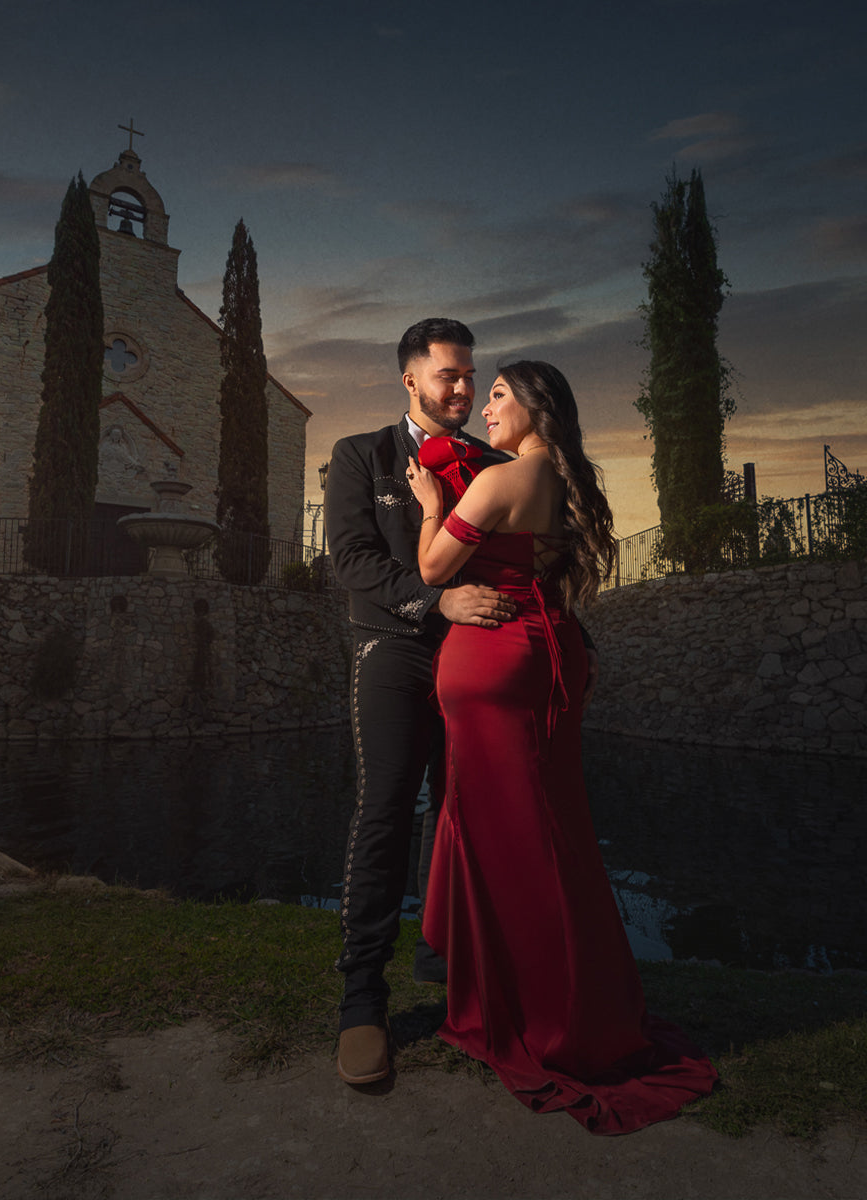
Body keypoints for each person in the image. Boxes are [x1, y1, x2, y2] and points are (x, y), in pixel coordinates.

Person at [408, 360, 718, 1134]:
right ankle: (569, 1000)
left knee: (511, 841)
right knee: (554, 831)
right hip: (548, 655)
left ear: (536, 405)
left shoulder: (500, 481)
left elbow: (433, 568)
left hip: (496, 665)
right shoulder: (562, 480)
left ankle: (542, 1016)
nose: (486, 409)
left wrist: (430, 506)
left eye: (499, 396)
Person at [324, 318, 514, 1086]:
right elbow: (352, 561)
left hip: (478, 657)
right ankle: (362, 999)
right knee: (387, 808)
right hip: (393, 650)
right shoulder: (359, 455)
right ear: (411, 380)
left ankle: (445, 957)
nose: (464, 388)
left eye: (471, 375)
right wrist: (437, 601)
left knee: (465, 812)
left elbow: (525, 565)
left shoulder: (496, 463)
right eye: (448, 375)